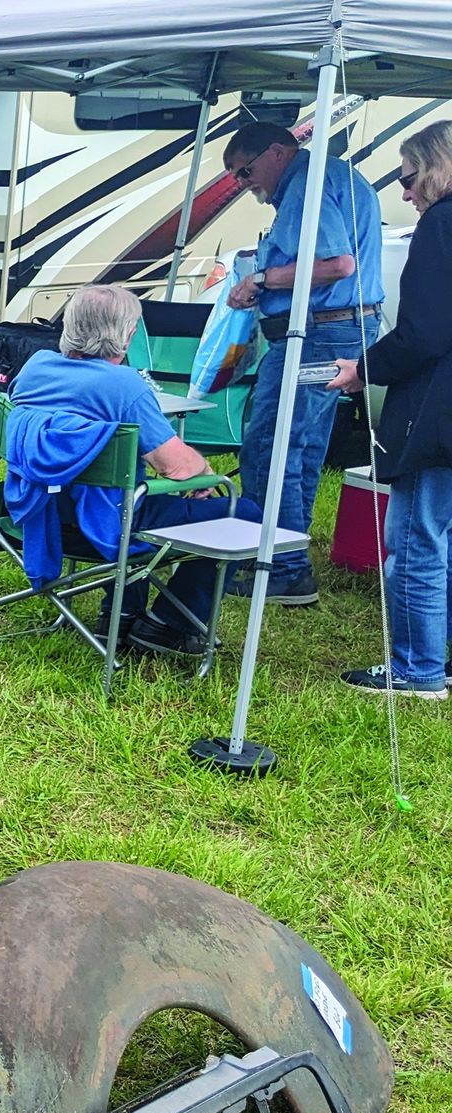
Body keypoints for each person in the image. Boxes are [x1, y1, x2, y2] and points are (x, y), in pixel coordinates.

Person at [5, 285, 260, 655]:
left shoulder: (35, 368)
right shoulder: (124, 386)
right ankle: (169, 625)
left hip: (33, 512)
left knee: (122, 489)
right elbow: (178, 467)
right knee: (244, 513)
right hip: (106, 525)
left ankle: (121, 614)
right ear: (125, 335)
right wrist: (202, 468)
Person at [218, 120, 385, 606]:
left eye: (244, 172)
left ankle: (283, 567)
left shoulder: (306, 185)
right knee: (304, 446)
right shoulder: (330, 176)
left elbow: (337, 264)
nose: (243, 186)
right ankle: (283, 553)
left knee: (271, 444)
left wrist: (263, 279)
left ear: (276, 153)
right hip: (344, 327)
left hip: (319, 332)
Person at [327, 122, 452, 700]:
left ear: (434, 166)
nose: (405, 193)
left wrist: (362, 369)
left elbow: (424, 332)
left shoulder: (441, 226)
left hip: (438, 413)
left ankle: (417, 668)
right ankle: (438, 661)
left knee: (417, 539)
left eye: (407, 177)